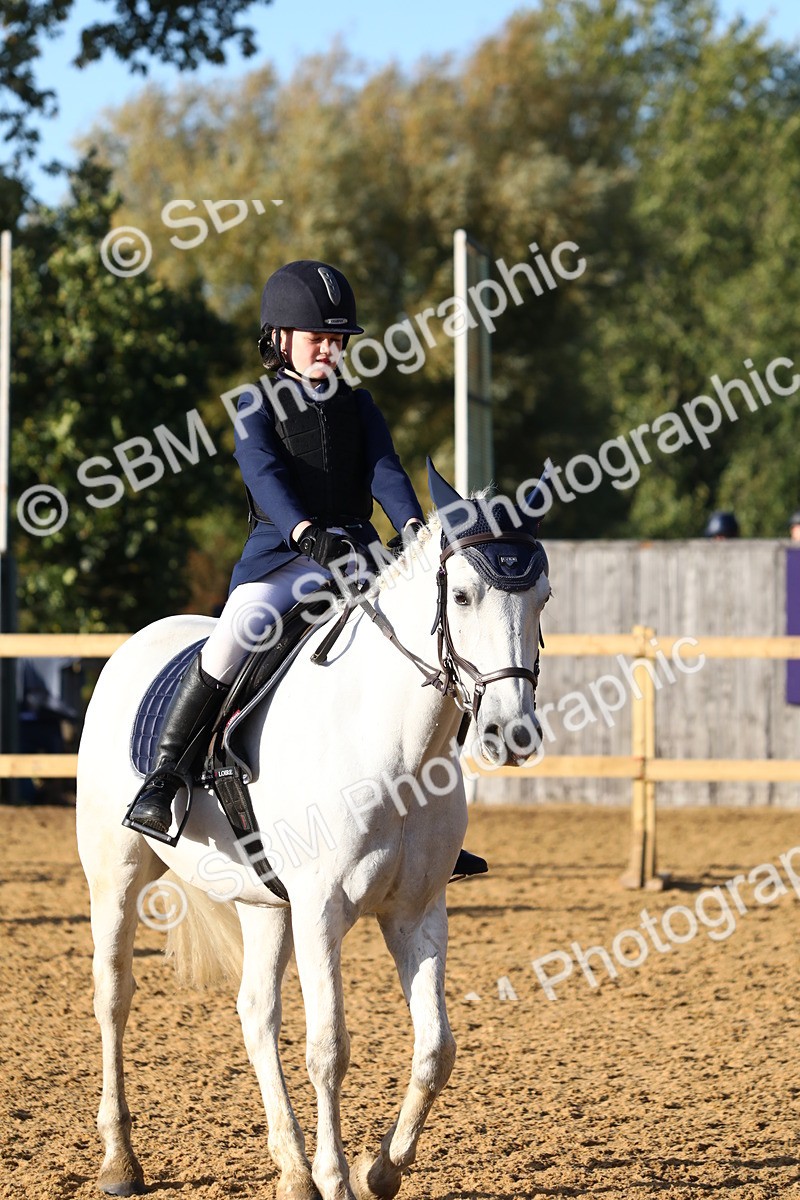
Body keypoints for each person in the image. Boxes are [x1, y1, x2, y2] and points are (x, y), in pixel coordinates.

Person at [127, 259, 486, 880]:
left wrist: (411, 529)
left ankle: (434, 823)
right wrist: (302, 532)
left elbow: (385, 472)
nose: (329, 347)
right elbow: (263, 477)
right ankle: (165, 780)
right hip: (283, 557)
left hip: (359, 556)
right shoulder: (253, 406)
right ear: (279, 340)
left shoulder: (360, 406)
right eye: (317, 336)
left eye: (337, 338)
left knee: (427, 647)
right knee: (236, 632)